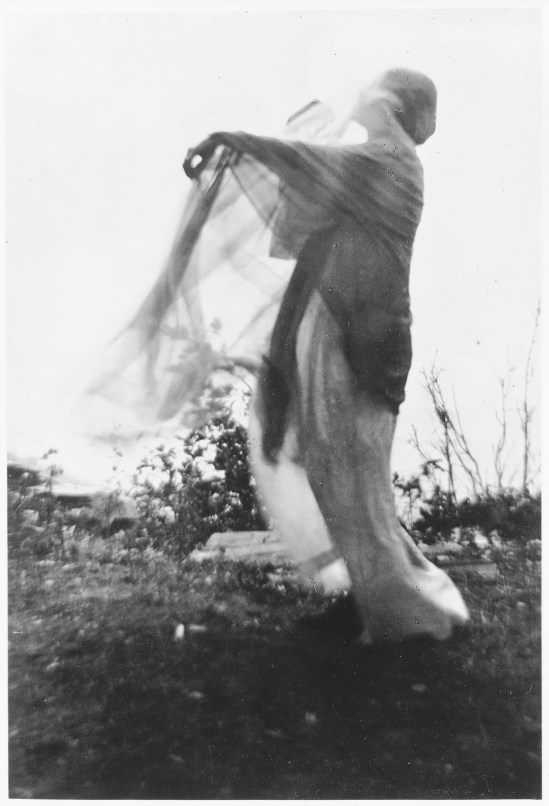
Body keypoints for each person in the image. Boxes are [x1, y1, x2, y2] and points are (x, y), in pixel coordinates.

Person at [91, 67, 469, 644]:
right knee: (327, 472)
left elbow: (296, 161)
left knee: (353, 482)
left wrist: (229, 141)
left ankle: (408, 616)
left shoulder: (387, 165)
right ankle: (364, 597)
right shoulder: (367, 169)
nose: (356, 101)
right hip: (338, 332)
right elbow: (292, 223)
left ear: (390, 105)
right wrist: (281, 146)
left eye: (368, 96)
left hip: (361, 342)